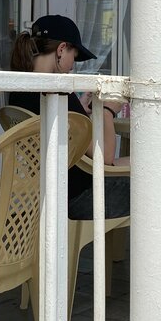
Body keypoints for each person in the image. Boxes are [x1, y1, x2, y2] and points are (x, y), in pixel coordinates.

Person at [9, 14, 129, 219]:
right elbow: (105, 157)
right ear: (61, 49)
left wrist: (78, 109)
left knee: (143, 163)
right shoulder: (59, 91)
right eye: (74, 55)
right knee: (153, 179)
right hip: (79, 196)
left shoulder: (18, 91)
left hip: (48, 190)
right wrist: (108, 111)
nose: (73, 66)